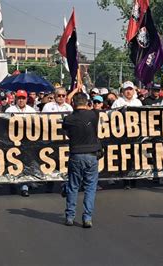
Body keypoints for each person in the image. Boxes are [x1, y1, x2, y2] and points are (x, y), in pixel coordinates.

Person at [63, 93, 101, 228]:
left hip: (76, 155)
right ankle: (87, 217)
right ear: (87, 103)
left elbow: (67, 133)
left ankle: (70, 216)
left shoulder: (68, 119)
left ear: (73, 103)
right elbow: (96, 108)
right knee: (90, 188)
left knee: (73, 186)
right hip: (91, 155)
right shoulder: (93, 115)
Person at [5, 90, 37, 197]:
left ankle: (24, 186)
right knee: (13, 163)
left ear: (27, 99)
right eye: (19, 98)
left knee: (26, 163)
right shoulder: (10, 110)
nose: (21, 100)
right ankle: (13, 183)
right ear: (16, 99)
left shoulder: (31, 110)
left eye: (23, 98)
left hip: (27, 141)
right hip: (12, 141)